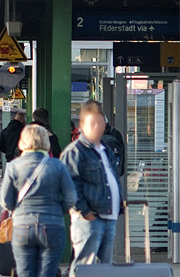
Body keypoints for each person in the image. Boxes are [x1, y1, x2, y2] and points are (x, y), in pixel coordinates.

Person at [1, 125, 77, 277]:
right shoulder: (58, 166)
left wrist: (19, 210)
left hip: (22, 227)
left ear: (22, 142)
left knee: (25, 273)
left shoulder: (13, 167)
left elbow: (6, 201)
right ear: (46, 142)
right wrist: (57, 210)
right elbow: (71, 199)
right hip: (52, 226)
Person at [60, 101, 122, 277]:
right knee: (83, 266)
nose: (97, 127)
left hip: (109, 217)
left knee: (105, 269)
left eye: (100, 123)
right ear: (82, 126)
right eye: (92, 123)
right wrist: (86, 212)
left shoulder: (106, 150)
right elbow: (69, 186)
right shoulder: (75, 152)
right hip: (88, 219)